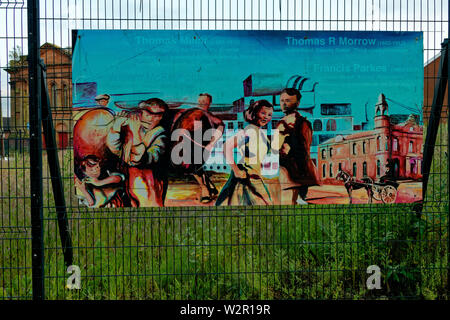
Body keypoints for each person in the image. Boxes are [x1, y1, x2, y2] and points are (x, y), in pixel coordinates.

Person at [106, 98, 169, 207]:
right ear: (142, 113)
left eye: (156, 116)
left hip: (148, 186)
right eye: (148, 115)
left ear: (161, 117)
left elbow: (138, 159)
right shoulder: (136, 129)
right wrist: (116, 127)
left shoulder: (160, 136)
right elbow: (117, 150)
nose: (151, 119)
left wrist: (135, 134)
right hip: (128, 184)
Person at [215, 100, 274, 206]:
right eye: (263, 113)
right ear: (255, 113)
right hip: (246, 177)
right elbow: (226, 146)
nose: (266, 117)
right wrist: (236, 171)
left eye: (269, 115)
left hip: (255, 177)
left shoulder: (260, 132)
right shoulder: (249, 131)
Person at [171, 93, 225, 203]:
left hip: (201, 144)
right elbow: (176, 122)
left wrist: (212, 143)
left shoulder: (209, 116)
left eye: (205, 102)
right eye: (200, 102)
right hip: (185, 142)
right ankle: (208, 187)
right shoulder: (188, 112)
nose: (202, 104)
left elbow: (221, 125)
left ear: (209, 103)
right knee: (192, 166)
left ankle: (205, 189)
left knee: (196, 166)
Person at [275, 88, 319, 205]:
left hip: (294, 169)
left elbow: (305, 147)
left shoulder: (302, 123)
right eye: (282, 100)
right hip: (287, 167)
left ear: (297, 103)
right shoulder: (282, 122)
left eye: (288, 100)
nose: (284, 104)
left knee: (293, 201)